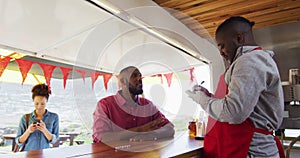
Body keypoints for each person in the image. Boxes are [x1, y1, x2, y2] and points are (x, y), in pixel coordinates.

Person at [186, 16, 284, 158]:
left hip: (250, 150)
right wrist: (210, 97)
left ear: (239, 38)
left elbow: (234, 112)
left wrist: (203, 101)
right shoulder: (245, 62)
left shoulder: (249, 61)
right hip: (239, 146)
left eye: (222, 45)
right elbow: (242, 106)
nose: (220, 52)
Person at [92, 66, 175, 143]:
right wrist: (140, 130)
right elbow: (100, 137)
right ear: (123, 81)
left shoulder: (147, 105)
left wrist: (152, 135)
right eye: (134, 76)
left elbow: (169, 128)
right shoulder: (105, 105)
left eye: (140, 75)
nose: (139, 78)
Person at [15, 83, 59, 151]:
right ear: (33, 101)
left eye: (42, 104)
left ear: (47, 101)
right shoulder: (25, 118)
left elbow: (54, 141)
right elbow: (18, 141)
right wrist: (28, 131)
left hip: (45, 155)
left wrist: (44, 130)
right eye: (36, 103)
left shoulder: (54, 117)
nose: (39, 107)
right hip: (28, 154)